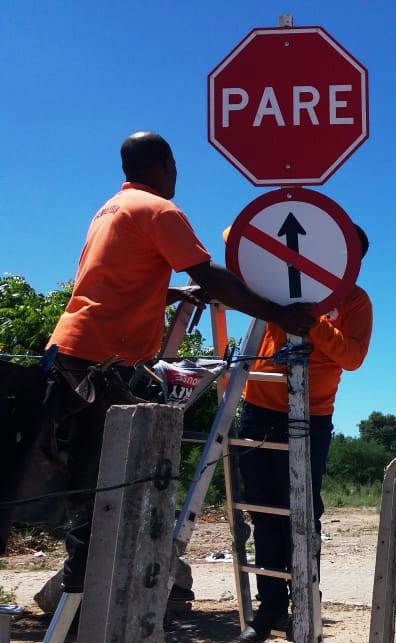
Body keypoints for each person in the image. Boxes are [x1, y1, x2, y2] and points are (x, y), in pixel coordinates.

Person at [44, 131, 315, 595]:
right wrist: (279, 313)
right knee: (105, 481)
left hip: (72, 350)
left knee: (91, 477)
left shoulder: (111, 208)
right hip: (100, 359)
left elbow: (112, 279)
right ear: (166, 165)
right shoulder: (160, 210)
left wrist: (170, 293)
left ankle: (84, 589)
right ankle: (85, 596)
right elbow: (208, 274)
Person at [236, 226, 373, 643]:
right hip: (258, 410)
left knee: (302, 515)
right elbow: (235, 235)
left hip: (310, 416)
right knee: (263, 513)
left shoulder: (353, 300)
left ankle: (304, 607)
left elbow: (352, 357)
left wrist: (312, 323)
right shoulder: (283, 279)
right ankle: (269, 607)